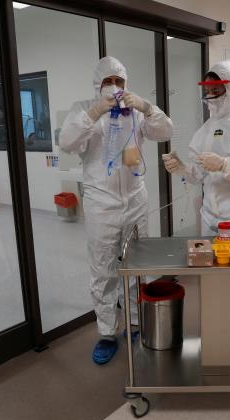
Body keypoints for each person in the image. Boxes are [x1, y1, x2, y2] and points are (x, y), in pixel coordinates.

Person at [59, 56, 173, 365]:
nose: (114, 87)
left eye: (119, 81)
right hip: (101, 203)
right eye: (108, 81)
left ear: (126, 84)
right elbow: (67, 142)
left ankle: (135, 326)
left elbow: (165, 131)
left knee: (135, 266)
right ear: (98, 84)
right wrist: (95, 111)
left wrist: (148, 108)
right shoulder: (83, 109)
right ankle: (107, 332)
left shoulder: (134, 111)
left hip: (136, 199)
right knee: (104, 269)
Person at [162, 59, 230, 235]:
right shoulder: (206, 129)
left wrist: (224, 165)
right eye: (207, 90)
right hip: (210, 219)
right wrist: (182, 168)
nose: (211, 95)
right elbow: (200, 175)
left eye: (216, 89)